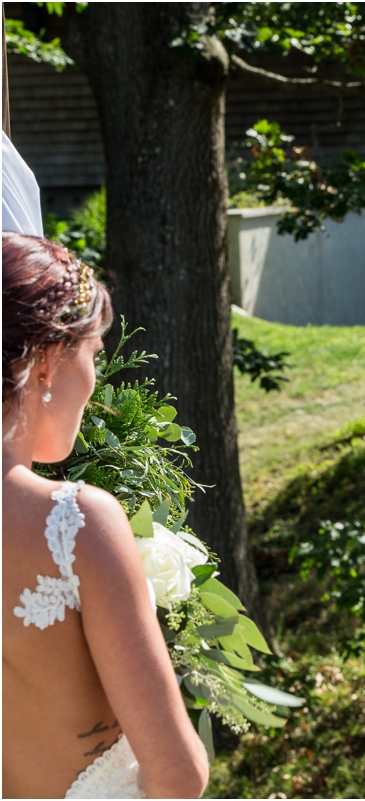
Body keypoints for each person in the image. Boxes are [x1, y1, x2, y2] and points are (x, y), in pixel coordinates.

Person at [2, 232, 209, 798]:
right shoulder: (74, 523)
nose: (94, 386)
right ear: (46, 362)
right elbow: (178, 774)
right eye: (93, 354)